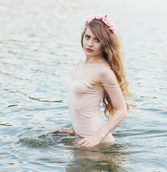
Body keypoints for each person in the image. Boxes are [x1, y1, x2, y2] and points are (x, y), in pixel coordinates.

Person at [50, 14, 133, 148]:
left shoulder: (104, 71)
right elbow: (80, 101)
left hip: (97, 144)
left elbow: (121, 110)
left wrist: (97, 137)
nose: (90, 43)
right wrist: (73, 128)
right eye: (87, 37)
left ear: (105, 43)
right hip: (81, 138)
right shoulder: (81, 63)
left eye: (97, 40)